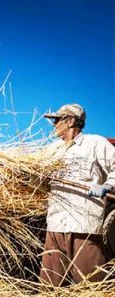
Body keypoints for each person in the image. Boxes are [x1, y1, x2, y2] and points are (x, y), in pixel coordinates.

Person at [39, 103, 115, 287]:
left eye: (57, 120)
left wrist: (106, 185)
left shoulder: (95, 144)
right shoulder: (52, 151)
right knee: (49, 283)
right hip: (56, 225)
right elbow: (39, 182)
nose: (54, 125)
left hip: (84, 226)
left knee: (90, 284)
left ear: (71, 121)